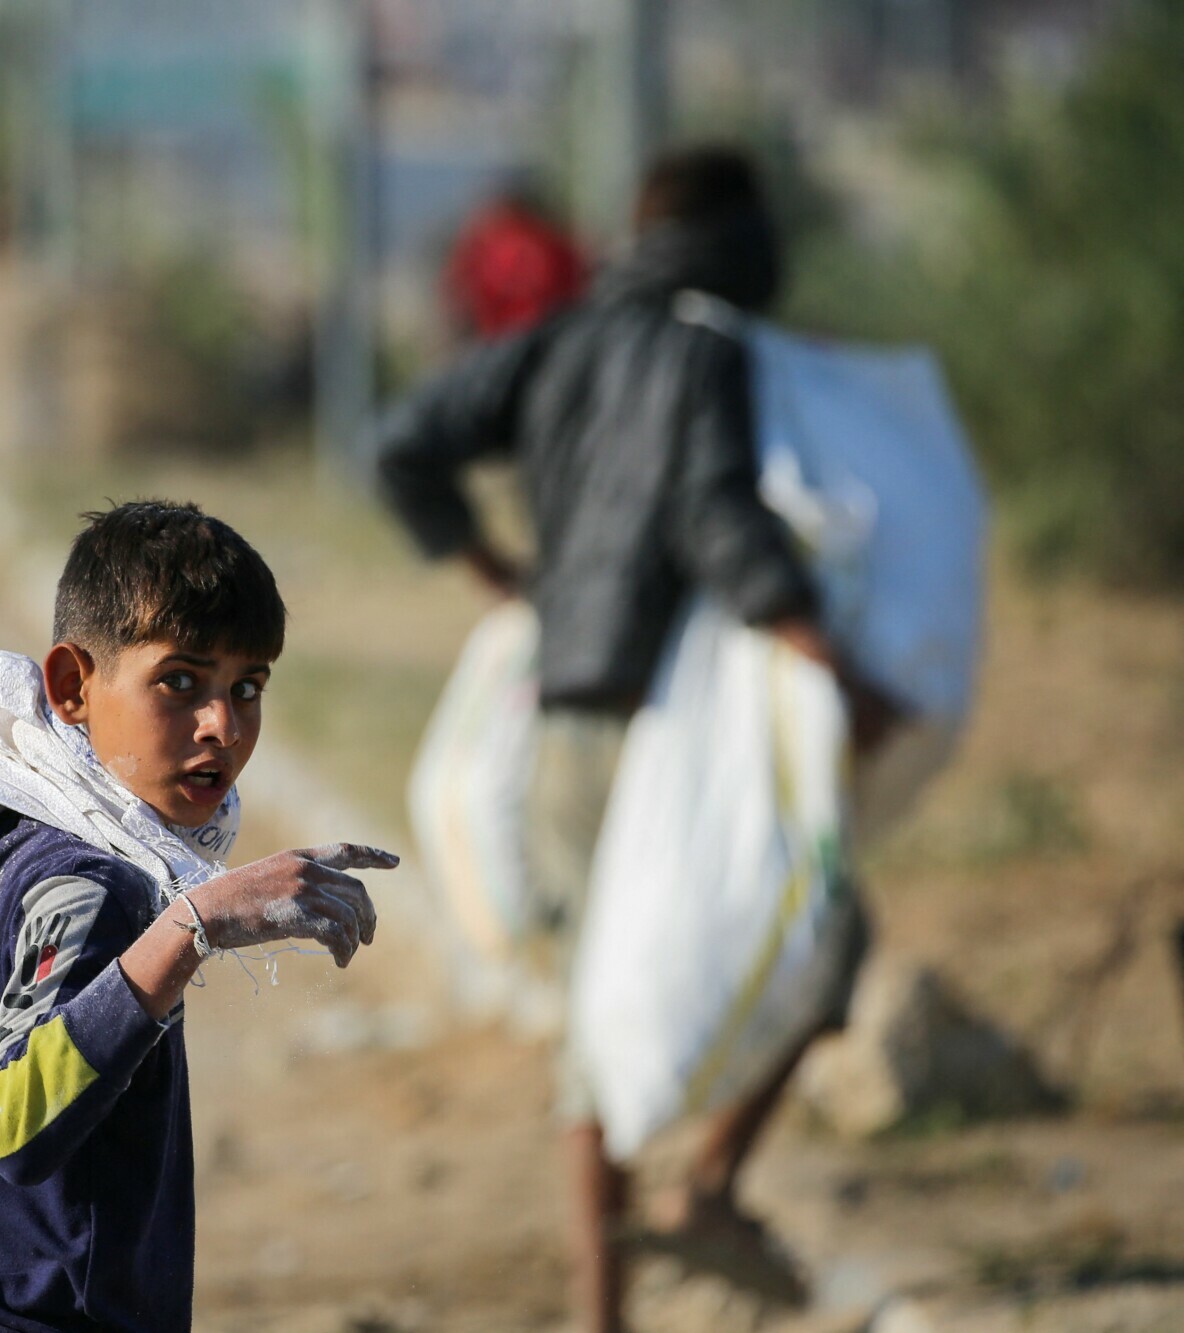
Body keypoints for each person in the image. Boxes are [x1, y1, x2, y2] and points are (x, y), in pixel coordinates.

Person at [376, 146, 885, 1332]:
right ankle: (704, 1190)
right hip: (666, 730)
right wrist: (816, 646)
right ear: (729, 236)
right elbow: (710, 505)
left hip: (559, 717)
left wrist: (495, 572)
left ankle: (601, 1309)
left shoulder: (557, 337)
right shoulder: (703, 347)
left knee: (592, 1022)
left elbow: (403, 440)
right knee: (829, 930)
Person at [0, 500, 397, 1332]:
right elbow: (13, 1124)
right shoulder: (94, 884)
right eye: (181, 681)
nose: (223, 725)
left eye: (247, 687)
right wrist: (194, 924)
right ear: (71, 687)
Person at [440, 172, 589, 342]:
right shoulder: (556, 241)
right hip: (551, 344)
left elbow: (457, 300)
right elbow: (580, 290)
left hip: (501, 347)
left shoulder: (481, 243)